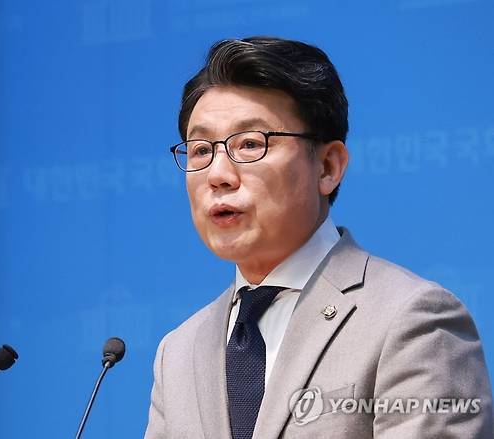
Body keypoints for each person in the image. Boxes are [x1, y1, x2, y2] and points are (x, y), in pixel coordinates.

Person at [144, 36, 493, 438]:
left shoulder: (412, 319)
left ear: (328, 167)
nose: (218, 175)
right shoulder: (178, 352)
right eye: (201, 150)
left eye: (250, 144)